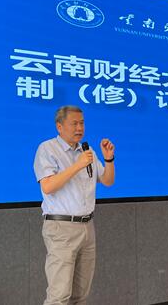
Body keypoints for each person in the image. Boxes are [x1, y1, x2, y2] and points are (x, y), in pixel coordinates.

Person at [34, 105, 115, 305]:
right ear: (59, 126)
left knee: (81, 295)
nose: (80, 128)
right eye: (74, 123)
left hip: (87, 227)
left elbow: (107, 180)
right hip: (61, 228)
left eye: (82, 123)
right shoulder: (47, 149)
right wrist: (78, 165)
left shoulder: (87, 151)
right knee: (59, 295)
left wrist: (109, 159)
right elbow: (48, 186)